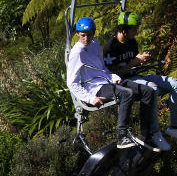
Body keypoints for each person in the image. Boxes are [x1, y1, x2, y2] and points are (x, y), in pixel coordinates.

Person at [67, 17, 161, 151]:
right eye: (83, 35)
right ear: (77, 34)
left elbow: (102, 68)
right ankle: (121, 137)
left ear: (93, 33)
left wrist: (113, 76)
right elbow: (71, 82)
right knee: (127, 93)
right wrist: (90, 98)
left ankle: (144, 135)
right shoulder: (77, 52)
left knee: (148, 91)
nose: (86, 39)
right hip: (96, 88)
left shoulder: (94, 43)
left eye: (89, 35)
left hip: (106, 81)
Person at [103, 11, 177, 148]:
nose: (136, 32)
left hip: (137, 76)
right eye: (134, 29)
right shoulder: (111, 47)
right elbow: (112, 73)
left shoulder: (132, 42)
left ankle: (175, 127)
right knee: (153, 89)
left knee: (176, 84)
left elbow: (133, 62)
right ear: (124, 29)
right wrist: (134, 62)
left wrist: (141, 60)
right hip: (125, 82)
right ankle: (154, 133)